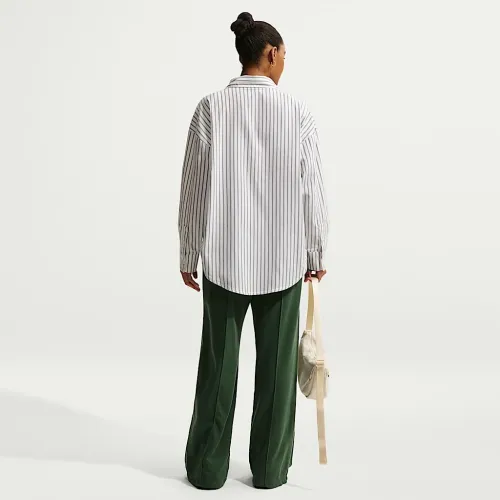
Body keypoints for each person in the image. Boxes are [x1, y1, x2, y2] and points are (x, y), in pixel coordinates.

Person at [177, 11, 329, 490]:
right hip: (283, 262)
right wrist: (316, 252)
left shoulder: (210, 109)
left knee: (218, 369)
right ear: (270, 53)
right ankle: (268, 470)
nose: (285, 63)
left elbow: (193, 188)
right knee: (278, 375)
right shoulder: (297, 112)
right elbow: (312, 189)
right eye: (284, 55)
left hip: (223, 260)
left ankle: (207, 470)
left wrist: (188, 252)